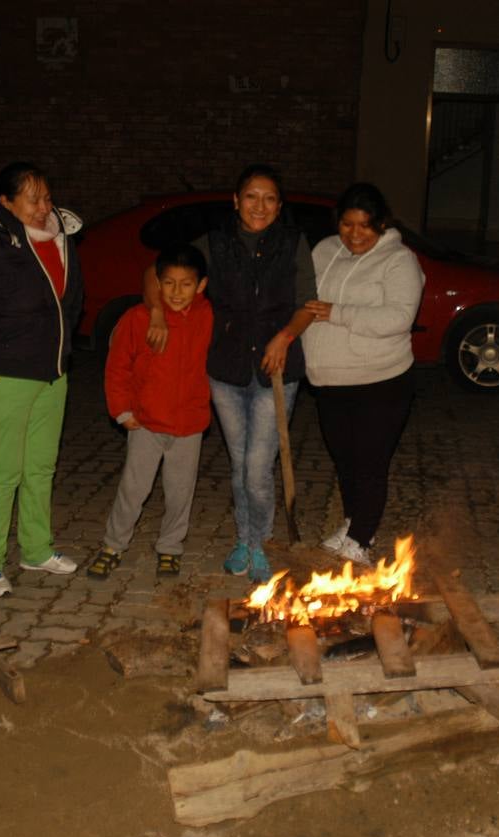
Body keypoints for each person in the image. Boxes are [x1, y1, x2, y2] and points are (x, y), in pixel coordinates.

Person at [143, 164, 317, 582]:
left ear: (279, 205)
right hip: (225, 369)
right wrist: (157, 312)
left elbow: (307, 304)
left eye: (270, 198)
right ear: (236, 201)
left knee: (257, 467)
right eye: (252, 197)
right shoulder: (214, 243)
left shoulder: (293, 243)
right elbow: (155, 272)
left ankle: (261, 543)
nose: (261, 206)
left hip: (276, 371)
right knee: (240, 462)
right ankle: (244, 540)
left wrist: (285, 336)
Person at [0, 161, 84, 598]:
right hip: (4, 377)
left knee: (41, 468)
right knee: (3, 472)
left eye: (46, 197)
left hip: (52, 375)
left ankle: (36, 548)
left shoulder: (61, 238)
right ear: (5, 203)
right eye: (33, 199)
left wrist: (60, 352)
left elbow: (71, 303)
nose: (45, 207)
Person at [302, 183, 424, 565]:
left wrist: (337, 312)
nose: (355, 234)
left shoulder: (399, 261)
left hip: (380, 380)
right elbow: (304, 300)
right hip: (329, 381)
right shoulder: (323, 250)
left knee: (370, 462)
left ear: (381, 224)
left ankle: (362, 540)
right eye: (347, 224)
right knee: (345, 460)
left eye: (364, 226)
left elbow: (398, 318)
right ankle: (354, 522)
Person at [86, 245, 213, 579]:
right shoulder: (138, 318)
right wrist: (121, 410)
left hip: (189, 425)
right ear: (157, 283)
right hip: (145, 423)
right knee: (133, 488)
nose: (176, 292)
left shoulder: (208, 316)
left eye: (186, 284)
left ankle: (170, 547)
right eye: (168, 283)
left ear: (200, 286)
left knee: (180, 491)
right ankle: (113, 544)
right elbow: (117, 368)